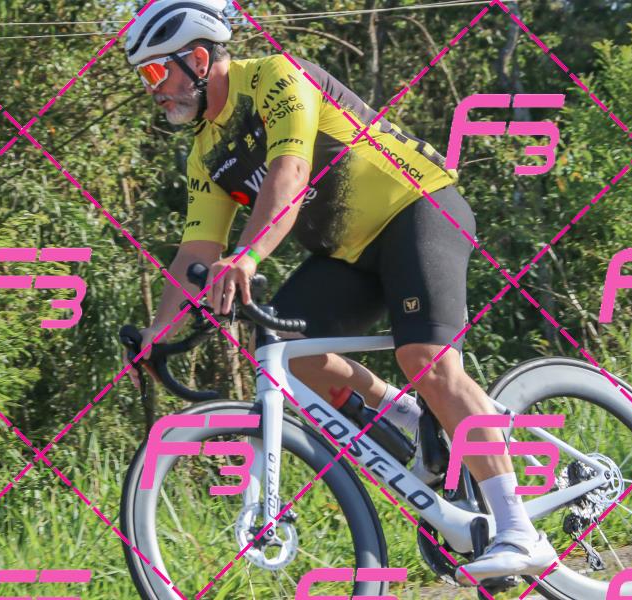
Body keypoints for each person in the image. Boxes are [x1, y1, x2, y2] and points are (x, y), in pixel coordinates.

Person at [121, 0, 557, 583]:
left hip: (417, 208)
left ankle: (521, 532)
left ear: (199, 60)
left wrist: (248, 256)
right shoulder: (206, 150)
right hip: (349, 252)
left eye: (156, 71)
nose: (152, 88)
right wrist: (159, 331)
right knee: (289, 355)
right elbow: (195, 251)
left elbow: (290, 173)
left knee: (425, 360)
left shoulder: (276, 77)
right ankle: (414, 419)